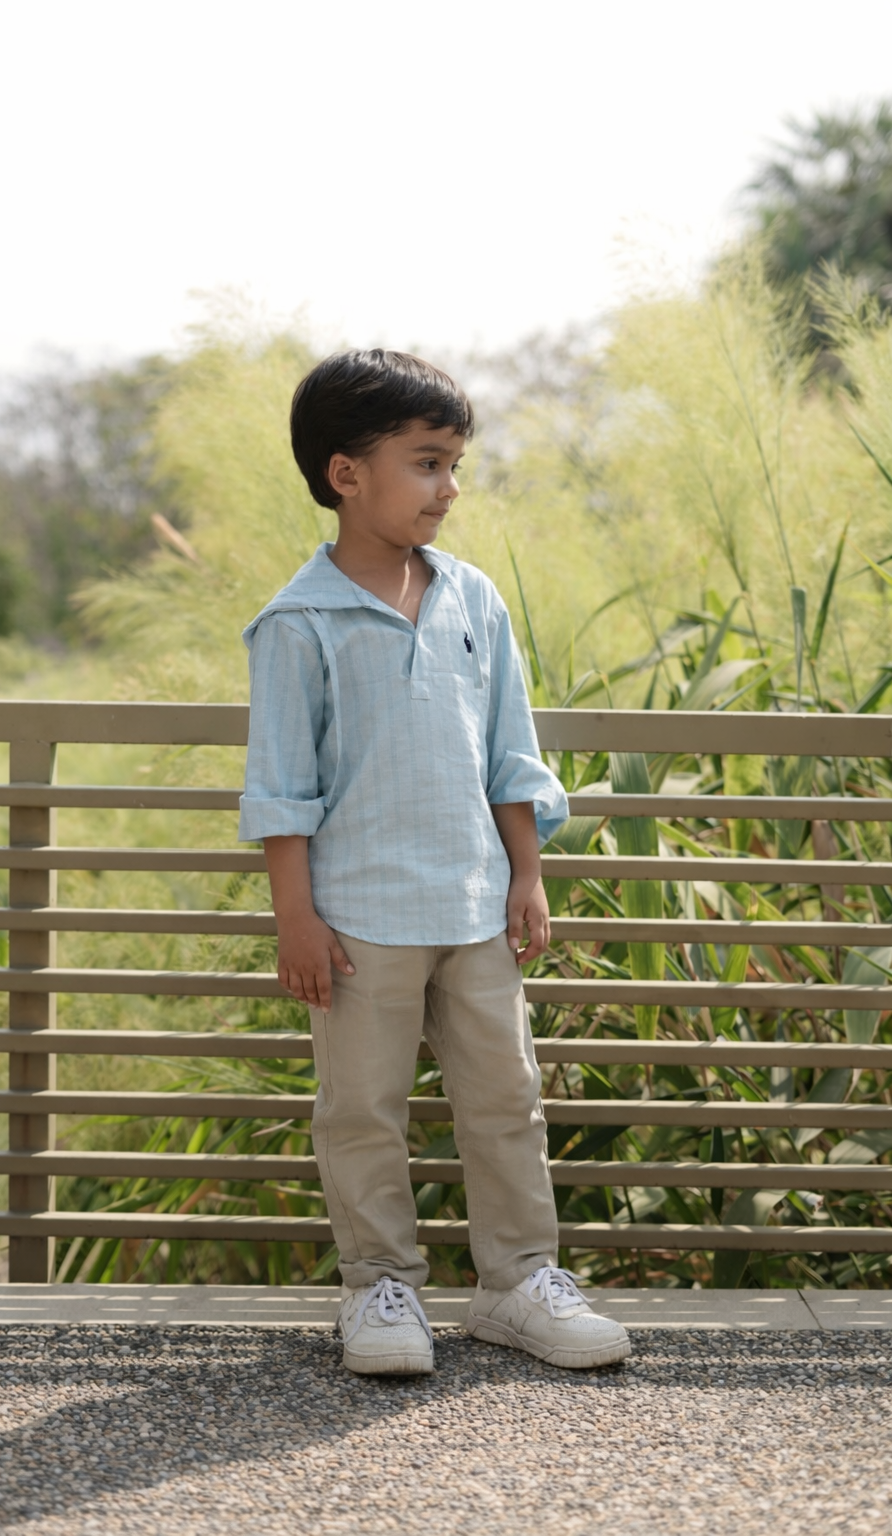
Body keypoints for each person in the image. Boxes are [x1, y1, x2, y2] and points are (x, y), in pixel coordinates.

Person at [239, 349, 630, 1375]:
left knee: (506, 1100)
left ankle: (517, 1283)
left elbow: (510, 750)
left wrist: (526, 872)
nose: (448, 488)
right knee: (360, 1110)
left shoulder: (473, 600)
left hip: (474, 904)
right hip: (358, 915)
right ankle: (380, 1290)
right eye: (426, 463)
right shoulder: (299, 621)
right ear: (346, 473)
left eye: (455, 464)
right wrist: (295, 917)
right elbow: (283, 784)